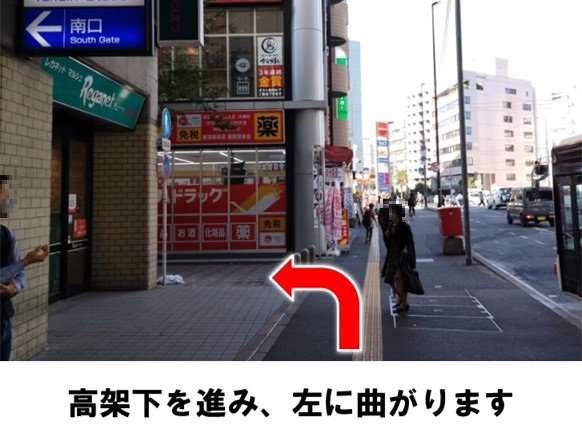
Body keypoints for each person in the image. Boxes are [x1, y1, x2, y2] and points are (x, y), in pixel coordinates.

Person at [1, 175, 49, 361]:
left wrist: (14, 287)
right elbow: (19, 265)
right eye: (4, 195)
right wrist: (27, 260)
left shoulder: (6, 234)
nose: (8, 201)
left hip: (3, 318)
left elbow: (18, 273)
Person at [381, 203, 417, 313]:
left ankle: (404, 303)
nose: (390, 215)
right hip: (392, 255)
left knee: (400, 279)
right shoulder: (391, 225)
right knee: (389, 278)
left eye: (392, 213)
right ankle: (401, 298)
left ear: (397, 214)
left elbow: (410, 241)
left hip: (402, 256)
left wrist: (406, 249)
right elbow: (388, 239)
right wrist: (387, 235)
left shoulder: (404, 226)